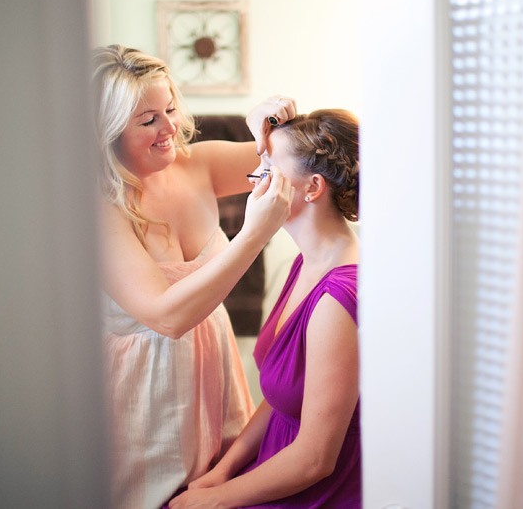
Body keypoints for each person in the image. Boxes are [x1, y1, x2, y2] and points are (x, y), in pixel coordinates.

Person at [93, 45, 297, 509]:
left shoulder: (196, 165)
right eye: (148, 120)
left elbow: (295, 160)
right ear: (106, 131)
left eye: (170, 109)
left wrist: (268, 125)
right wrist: (254, 234)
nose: (169, 129)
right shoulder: (100, 208)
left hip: (211, 374)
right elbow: (167, 318)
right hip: (141, 394)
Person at [168, 109, 361, 508]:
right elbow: (280, 396)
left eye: (269, 169)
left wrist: (218, 499)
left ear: (313, 187)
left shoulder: (337, 299)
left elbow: (314, 460)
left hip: (320, 489)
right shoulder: (306, 263)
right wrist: (222, 471)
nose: (254, 180)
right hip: (276, 462)